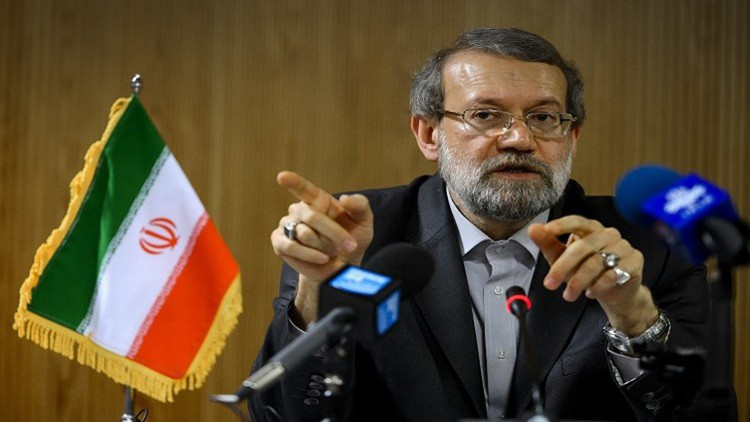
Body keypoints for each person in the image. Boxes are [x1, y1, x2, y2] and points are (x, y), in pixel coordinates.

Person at [250, 28, 708, 421]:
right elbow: (279, 414)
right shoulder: (351, 236)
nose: (520, 139)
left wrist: (634, 316)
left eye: (543, 117)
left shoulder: (652, 246)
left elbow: (702, 413)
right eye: (486, 115)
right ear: (429, 134)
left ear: (571, 137)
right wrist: (319, 293)